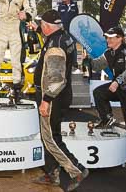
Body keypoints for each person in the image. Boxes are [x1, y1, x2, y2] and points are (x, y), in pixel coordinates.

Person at [32, 10, 88, 191]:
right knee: (48, 135)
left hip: (53, 96)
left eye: (42, 25)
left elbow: (57, 80)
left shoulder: (55, 46)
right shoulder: (63, 36)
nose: (40, 27)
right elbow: (47, 33)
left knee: (51, 139)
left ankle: (76, 170)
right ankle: (51, 173)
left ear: (47, 26)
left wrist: (46, 100)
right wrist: (32, 25)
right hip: (60, 95)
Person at [91, 26, 126, 165]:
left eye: (111, 37)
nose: (108, 39)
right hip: (120, 88)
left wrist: (117, 81)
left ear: (120, 38)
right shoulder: (109, 53)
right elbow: (96, 66)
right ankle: (107, 119)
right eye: (107, 37)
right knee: (98, 92)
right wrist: (87, 59)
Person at [58, 0, 79, 70]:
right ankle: (64, 62)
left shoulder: (75, 5)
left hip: (73, 30)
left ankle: (74, 63)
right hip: (64, 30)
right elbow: (59, 18)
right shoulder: (60, 6)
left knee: (73, 46)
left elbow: (77, 17)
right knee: (64, 46)